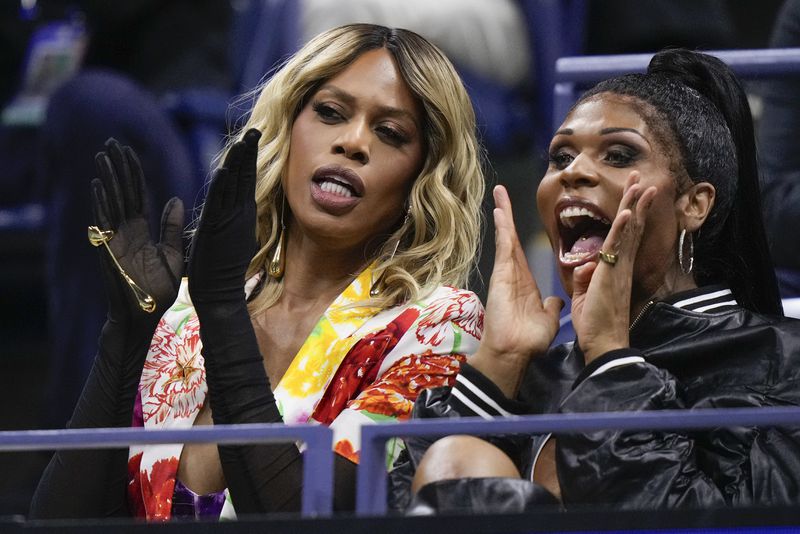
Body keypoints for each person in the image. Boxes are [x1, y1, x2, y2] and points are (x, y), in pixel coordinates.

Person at [29, 23, 485, 520]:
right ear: (287, 128)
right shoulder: (183, 314)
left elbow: (302, 517)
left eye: (390, 133)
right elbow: (56, 521)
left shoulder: (436, 325)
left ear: (423, 175)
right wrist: (127, 332)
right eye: (330, 113)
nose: (353, 142)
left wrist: (225, 313)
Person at [389, 48, 800, 513]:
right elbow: (392, 516)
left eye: (620, 154)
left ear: (694, 204)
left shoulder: (782, 361)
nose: (575, 172)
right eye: (560, 156)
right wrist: (498, 366)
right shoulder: (537, 373)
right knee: (457, 455)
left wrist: (610, 357)